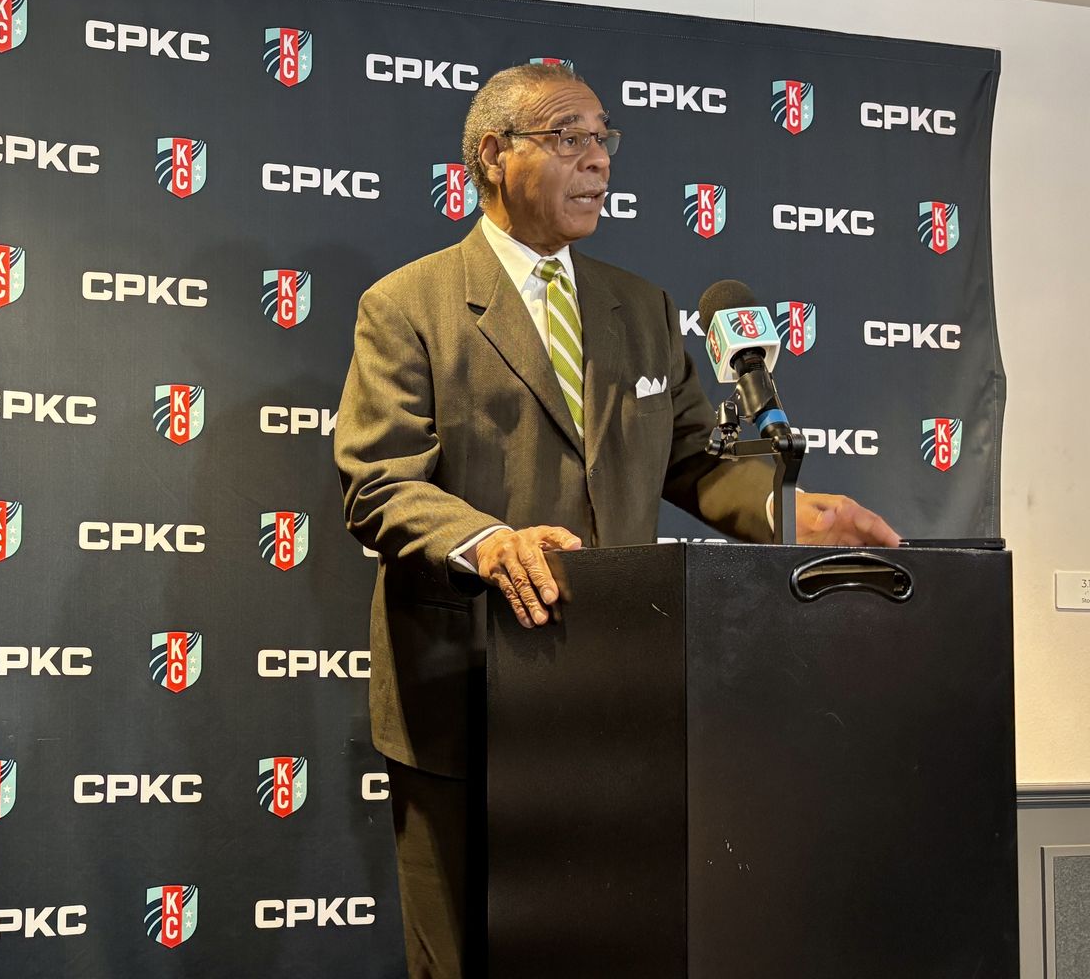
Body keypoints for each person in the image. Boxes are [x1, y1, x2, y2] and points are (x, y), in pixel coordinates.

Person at [332, 63, 900, 979]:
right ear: (494, 156)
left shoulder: (642, 306)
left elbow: (692, 460)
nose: (598, 160)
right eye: (568, 138)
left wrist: (791, 508)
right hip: (464, 696)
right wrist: (490, 542)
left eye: (603, 138)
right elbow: (379, 482)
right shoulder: (408, 306)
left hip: (618, 703)